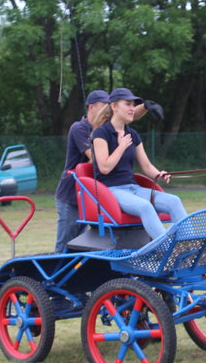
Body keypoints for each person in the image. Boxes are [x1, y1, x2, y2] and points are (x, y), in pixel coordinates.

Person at [53, 89, 163, 253]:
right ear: (91, 107)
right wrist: (118, 147)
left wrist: (145, 107)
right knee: (66, 242)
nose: (108, 109)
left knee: (86, 243)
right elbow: (98, 160)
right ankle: (56, 275)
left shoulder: (108, 129)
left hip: (95, 194)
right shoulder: (81, 128)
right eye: (105, 105)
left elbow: (125, 116)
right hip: (72, 195)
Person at [91, 87, 187, 240]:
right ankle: (166, 249)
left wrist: (159, 174)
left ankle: (189, 247)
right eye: (127, 104)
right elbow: (104, 168)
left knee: (174, 201)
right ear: (114, 107)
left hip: (133, 188)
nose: (132, 109)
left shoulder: (133, 134)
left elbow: (147, 166)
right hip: (112, 190)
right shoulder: (101, 133)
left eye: (133, 105)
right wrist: (121, 146)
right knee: (145, 206)